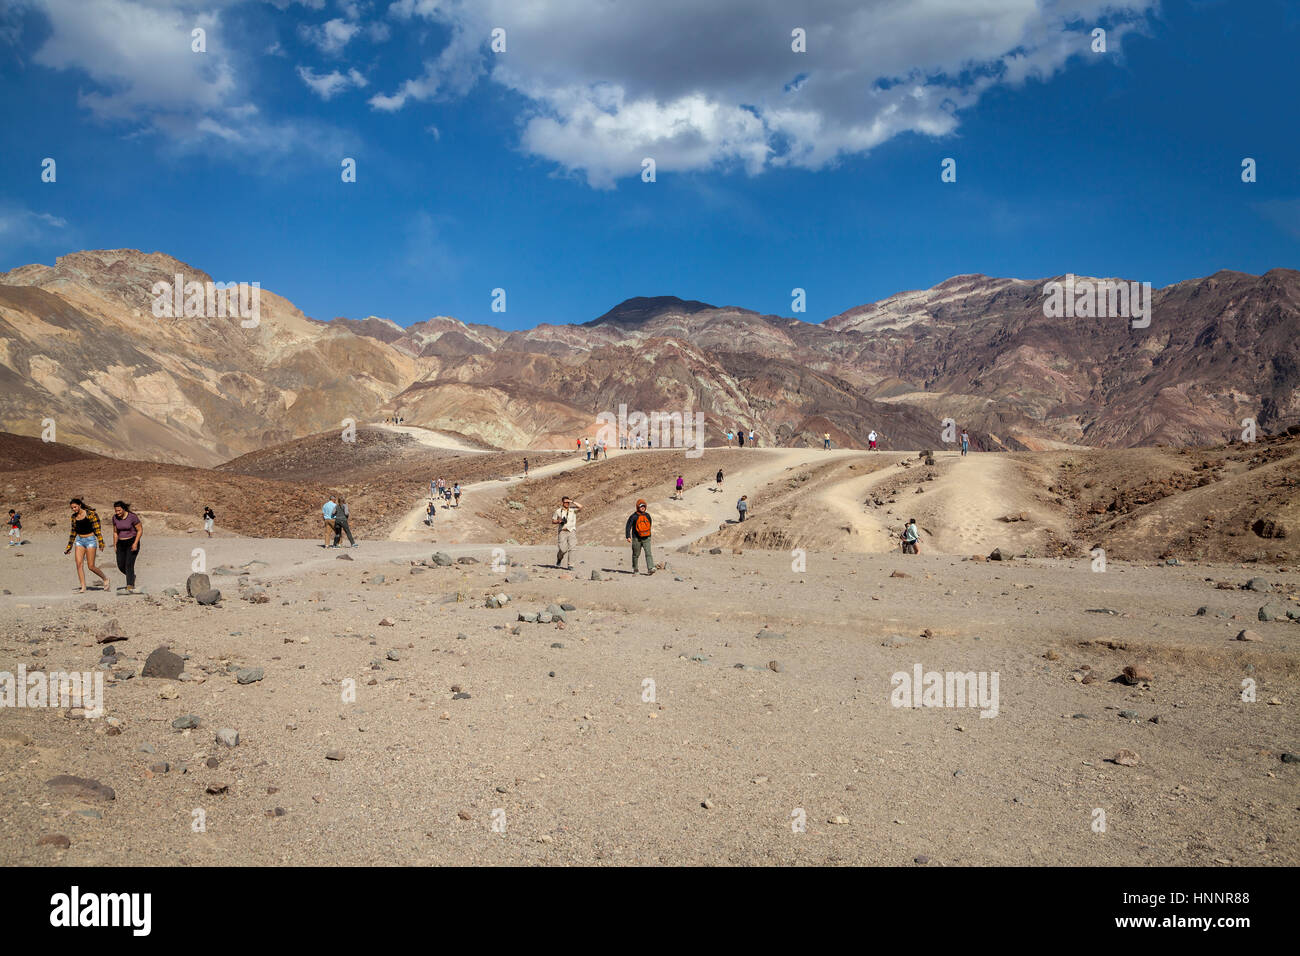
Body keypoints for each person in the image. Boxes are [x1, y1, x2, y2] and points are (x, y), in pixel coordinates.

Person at [66, 498, 109, 593]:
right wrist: (69, 547)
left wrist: (101, 542)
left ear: (80, 505)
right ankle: (83, 587)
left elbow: (97, 529)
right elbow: (73, 532)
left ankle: (105, 579)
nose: (74, 509)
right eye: (72, 508)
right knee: (79, 564)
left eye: (75, 507)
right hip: (79, 541)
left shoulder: (91, 514)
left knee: (91, 566)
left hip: (90, 540)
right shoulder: (73, 517)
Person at [111, 501, 143, 592]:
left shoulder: (132, 517)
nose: (117, 513)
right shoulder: (115, 518)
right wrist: (115, 545)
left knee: (129, 564)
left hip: (132, 541)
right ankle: (132, 576)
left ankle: (130, 585)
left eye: (119, 510)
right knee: (120, 565)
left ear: (123, 509)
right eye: (116, 511)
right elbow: (115, 532)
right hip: (120, 543)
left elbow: (140, 530)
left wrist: (135, 543)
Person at [625, 499, 654, 575]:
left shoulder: (647, 515)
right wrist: (628, 536)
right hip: (636, 538)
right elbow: (628, 526)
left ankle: (650, 568)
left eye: (644, 506)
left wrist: (647, 533)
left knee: (648, 553)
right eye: (641, 506)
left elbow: (650, 524)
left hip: (647, 537)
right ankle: (635, 569)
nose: (643, 507)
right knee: (636, 554)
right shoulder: (633, 516)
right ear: (637, 507)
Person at [552, 495, 581, 570]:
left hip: (572, 531)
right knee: (563, 549)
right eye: (565, 502)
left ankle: (570, 565)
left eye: (568, 502)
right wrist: (559, 521)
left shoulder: (572, 510)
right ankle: (559, 558)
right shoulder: (558, 511)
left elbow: (581, 506)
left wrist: (572, 501)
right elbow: (553, 520)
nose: (567, 504)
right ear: (562, 502)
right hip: (562, 531)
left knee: (572, 548)